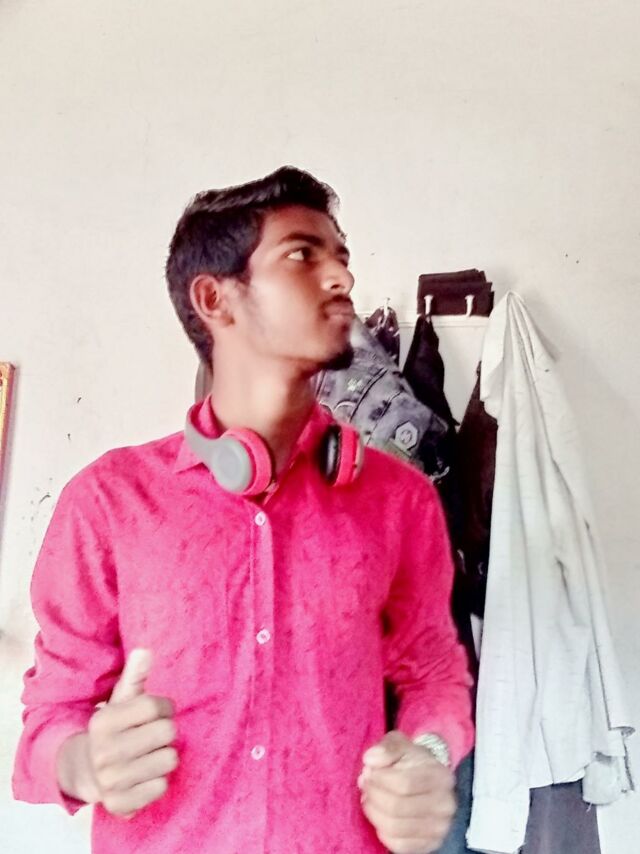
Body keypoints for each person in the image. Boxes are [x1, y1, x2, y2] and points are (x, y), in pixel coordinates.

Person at [13, 166, 474, 853]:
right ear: (214, 299)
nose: (342, 277)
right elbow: (48, 722)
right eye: (302, 254)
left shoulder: (399, 500)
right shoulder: (107, 501)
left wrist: (429, 755)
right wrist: (85, 762)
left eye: (342, 256)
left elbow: (435, 673)